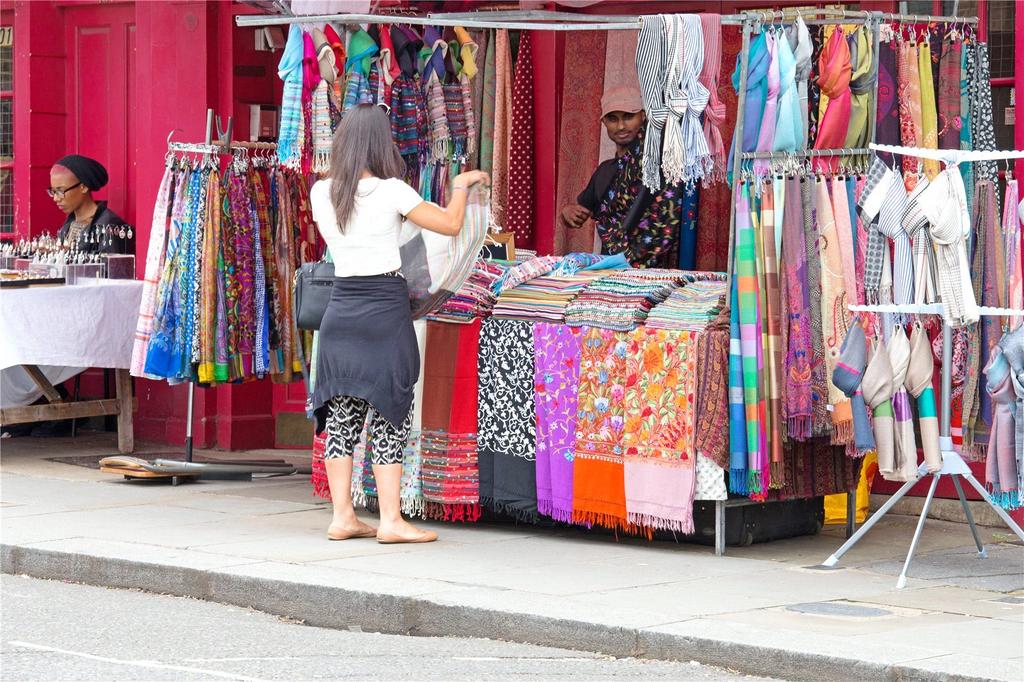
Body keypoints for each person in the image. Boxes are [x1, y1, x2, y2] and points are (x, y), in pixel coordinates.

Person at [309, 104, 489, 544]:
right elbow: (448, 225)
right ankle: (390, 521)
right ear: (380, 142)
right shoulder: (393, 191)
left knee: (343, 419)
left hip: (340, 312)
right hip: (384, 312)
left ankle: (342, 517)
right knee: (390, 412)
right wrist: (462, 185)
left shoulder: (321, 192)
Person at [559, 86, 681, 269]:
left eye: (628, 117)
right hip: (610, 271)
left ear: (643, 116)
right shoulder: (605, 172)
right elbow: (578, 215)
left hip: (656, 274)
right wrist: (566, 213)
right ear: (604, 122)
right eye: (613, 119)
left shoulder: (659, 165)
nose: (621, 126)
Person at [51, 155, 134, 254]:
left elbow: (112, 268)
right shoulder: (68, 224)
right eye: (53, 192)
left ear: (84, 187)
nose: (56, 198)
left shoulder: (109, 227)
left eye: (61, 191)